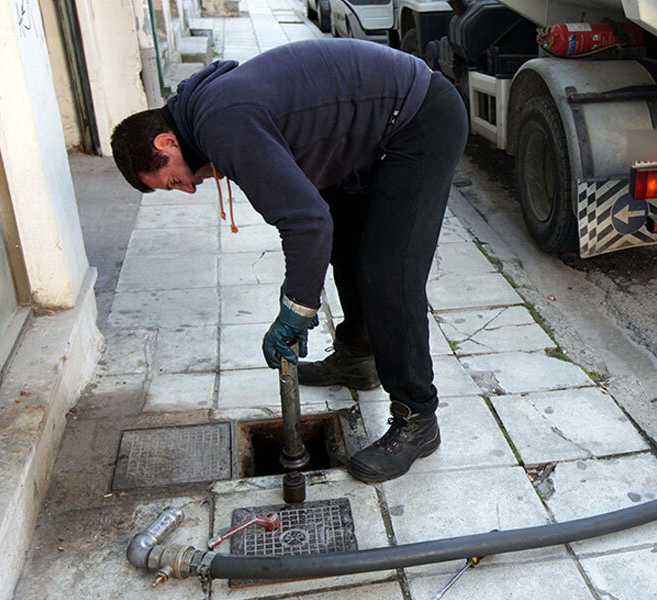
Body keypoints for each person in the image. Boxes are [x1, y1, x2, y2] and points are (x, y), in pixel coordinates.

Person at [110, 39, 468, 483]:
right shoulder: (206, 114)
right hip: (375, 130)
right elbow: (316, 216)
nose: (187, 188)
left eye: (171, 180)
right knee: (348, 244)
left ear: (166, 141)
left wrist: (295, 310)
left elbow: (305, 222)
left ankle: (418, 417)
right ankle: (359, 357)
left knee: (388, 273)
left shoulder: (221, 123)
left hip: (420, 120)